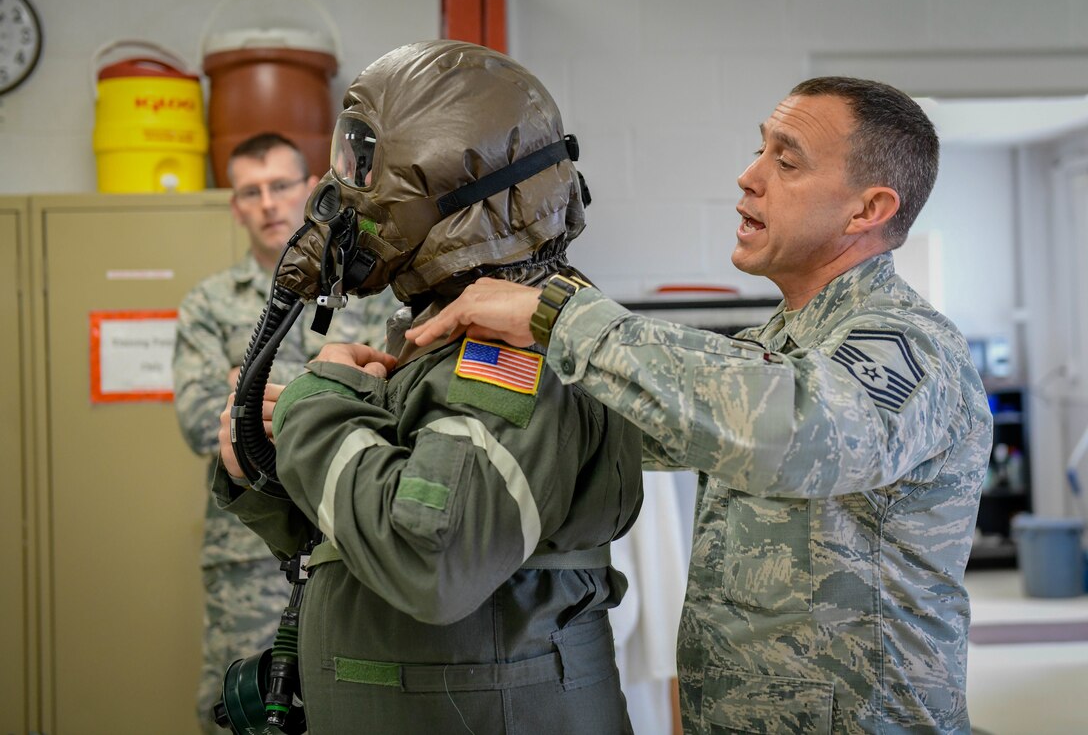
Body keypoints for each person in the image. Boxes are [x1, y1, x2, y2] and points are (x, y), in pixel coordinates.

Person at [407, 76, 994, 733]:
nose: (748, 176)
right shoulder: (774, 346)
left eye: (786, 160)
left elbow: (798, 431)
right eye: (759, 150)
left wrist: (560, 317)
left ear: (867, 210)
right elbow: (613, 427)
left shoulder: (910, 346)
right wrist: (406, 389)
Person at [212, 41, 645, 733]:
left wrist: (317, 408)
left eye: (367, 165)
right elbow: (357, 538)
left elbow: (432, 560)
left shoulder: (516, 344)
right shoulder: (435, 333)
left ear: (455, 190)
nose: (343, 193)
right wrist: (265, 470)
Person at [171, 132, 398, 734]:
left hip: (352, 538)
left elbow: (394, 400)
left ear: (309, 191)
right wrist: (328, 383)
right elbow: (199, 420)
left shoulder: (370, 292)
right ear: (236, 205)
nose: (269, 203)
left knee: (348, 706)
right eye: (252, 191)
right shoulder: (209, 303)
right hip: (246, 556)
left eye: (280, 186)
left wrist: (257, 391)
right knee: (241, 712)